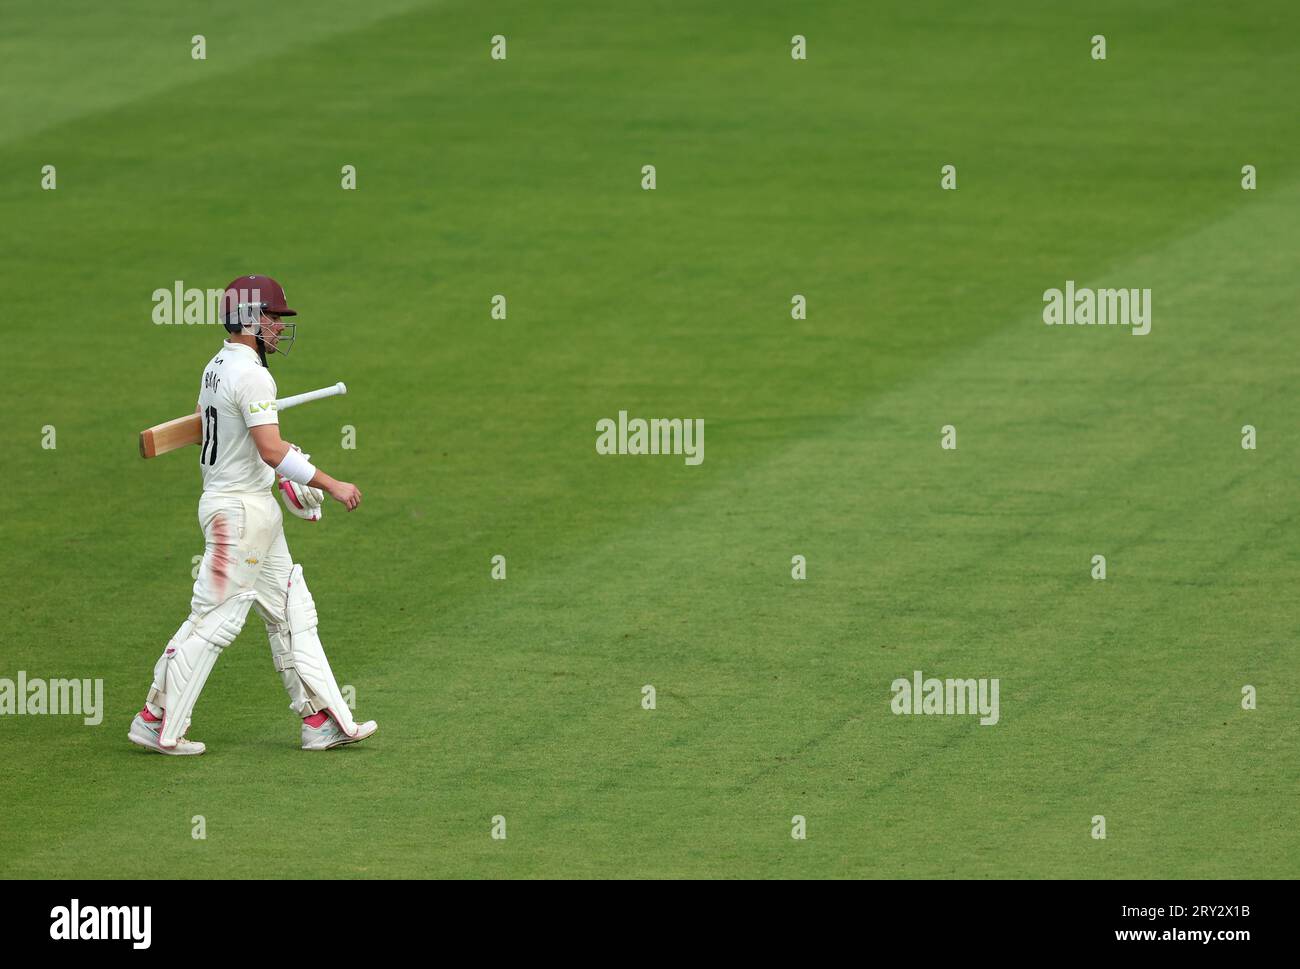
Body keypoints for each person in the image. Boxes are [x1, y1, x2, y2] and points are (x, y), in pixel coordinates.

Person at [128, 274, 377, 754]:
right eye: (271, 317)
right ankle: (157, 718)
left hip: (250, 510)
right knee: (215, 620)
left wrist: (282, 471)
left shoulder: (217, 367)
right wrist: (328, 481)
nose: (279, 328)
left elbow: (214, 432)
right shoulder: (253, 374)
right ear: (247, 319)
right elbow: (269, 448)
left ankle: (320, 720)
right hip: (238, 516)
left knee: (290, 610)